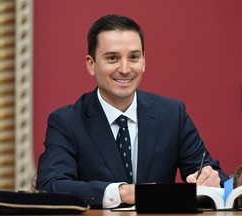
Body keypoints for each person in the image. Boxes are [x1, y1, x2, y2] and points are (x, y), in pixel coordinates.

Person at [36, 14, 229, 209]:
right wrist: (121, 192)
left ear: (144, 61)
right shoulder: (66, 121)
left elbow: (219, 178)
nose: (125, 69)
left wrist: (211, 179)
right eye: (112, 58)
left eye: (134, 57)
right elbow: (51, 185)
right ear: (91, 64)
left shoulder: (172, 114)